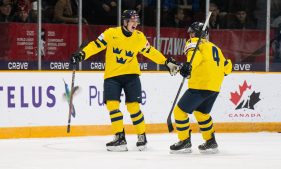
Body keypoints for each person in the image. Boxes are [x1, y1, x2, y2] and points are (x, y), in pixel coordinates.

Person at [71, 10, 180, 152]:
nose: (135, 24)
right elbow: (95, 45)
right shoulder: (111, 33)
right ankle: (120, 137)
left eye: (136, 21)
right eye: (132, 21)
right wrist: (81, 55)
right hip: (112, 76)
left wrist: (166, 62)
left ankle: (142, 136)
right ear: (125, 22)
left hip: (131, 76)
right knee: (112, 105)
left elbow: (151, 52)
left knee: (133, 107)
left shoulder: (139, 37)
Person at [169, 22, 232, 154]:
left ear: (196, 33)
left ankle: (184, 141)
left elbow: (194, 57)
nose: (190, 35)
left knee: (179, 112)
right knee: (201, 113)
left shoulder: (193, 42)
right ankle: (210, 141)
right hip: (214, 87)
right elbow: (227, 68)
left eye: (191, 32)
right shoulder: (215, 47)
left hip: (200, 86)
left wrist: (189, 65)